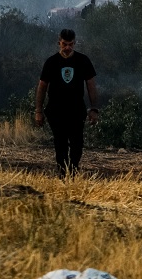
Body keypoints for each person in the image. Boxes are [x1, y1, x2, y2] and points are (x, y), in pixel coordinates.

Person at [35, 28, 99, 177]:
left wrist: (94, 109)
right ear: (59, 43)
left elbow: (91, 86)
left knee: (77, 144)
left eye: (70, 44)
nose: (67, 48)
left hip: (76, 110)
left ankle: (74, 171)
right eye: (64, 44)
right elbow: (42, 87)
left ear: (75, 43)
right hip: (56, 111)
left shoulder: (83, 61)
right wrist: (38, 111)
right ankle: (63, 175)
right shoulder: (51, 62)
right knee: (60, 143)